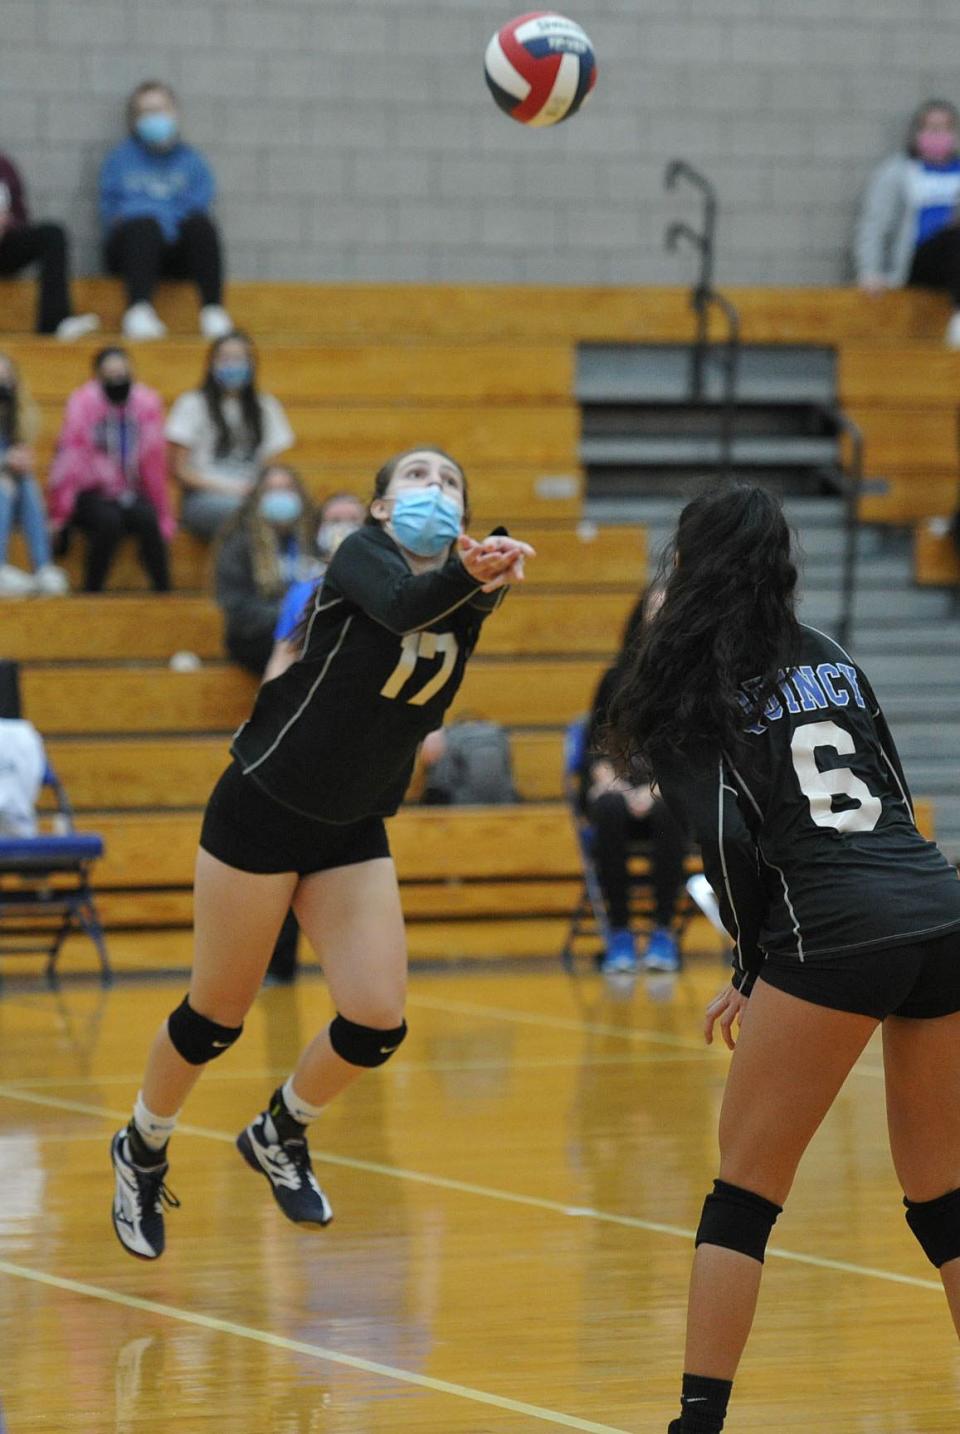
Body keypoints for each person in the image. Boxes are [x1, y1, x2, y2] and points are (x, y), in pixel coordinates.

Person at [108, 447, 534, 1260]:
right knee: (216, 1017)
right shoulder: (359, 557)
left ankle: (278, 1131)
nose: (434, 491)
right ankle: (141, 1143)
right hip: (264, 807)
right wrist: (473, 575)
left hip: (351, 824)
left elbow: (440, 616)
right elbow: (406, 606)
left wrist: (485, 569)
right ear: (380, 508)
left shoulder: (462, 589)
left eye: (451, 482)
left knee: (376, 1020)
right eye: (416, 478)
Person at [606, 482, 960, 1434]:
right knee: (944, 1196)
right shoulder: (834, 657)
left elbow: (725, 840)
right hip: (938, 910)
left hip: (832, 928)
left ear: (692, 565)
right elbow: (890, 785)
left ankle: (696, 1424)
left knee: (743, 1199)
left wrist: (753, 967)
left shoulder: (688, 687)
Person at [583, 585, 686, 975]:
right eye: (655, 609)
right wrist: (612, 780)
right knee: (607, 807)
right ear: (641, 615)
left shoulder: (690, 680)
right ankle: (621, 935)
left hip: (667, 789)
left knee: (669, 812)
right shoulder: (614, 677)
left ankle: (662, 933)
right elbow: (595, 743)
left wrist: (656, 788)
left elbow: (693, 751)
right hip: (616, 784)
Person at [100, 80, 232, 342]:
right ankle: (138, 310)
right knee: (143, 225)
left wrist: (154, 213)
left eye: (160, 109)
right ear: (134, 120)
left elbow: (197, 204)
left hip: (176, 250)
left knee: (201, 226)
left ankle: (212, 311)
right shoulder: (119, 160)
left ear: (174, 112)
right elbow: (114, 213)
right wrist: (159, 214)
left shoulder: (191, 160)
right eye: (146, 112)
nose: (154, 117)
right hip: (133, 251)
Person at [47, 347, 174, 593]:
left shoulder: (146, 405)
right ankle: (92, 592)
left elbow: (154, 464)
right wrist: (60, 513)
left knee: (148, 519)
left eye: (122, 372)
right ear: (97, 376)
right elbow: (69, 463)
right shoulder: (82, 405)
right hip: (90, 493)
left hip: (130, 490)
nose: (117, 379)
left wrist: (163, 514)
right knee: (109, 521)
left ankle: (164, 593)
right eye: (110, 373)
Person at [166, 332, 295, 541]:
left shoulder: (267, 407)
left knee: (291, 509)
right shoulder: (192, 404)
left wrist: (257, 492)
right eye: (226, 358)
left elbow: (271, 469)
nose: (233, 365)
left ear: (252, 365)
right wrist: (231, 489)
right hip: (203, 498)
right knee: (245, 514)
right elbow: (179, 471)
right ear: (211, 363)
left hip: (253, 497)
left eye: (240, 359)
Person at [856, 99, 960, 346]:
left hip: (955, 264)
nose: (937, 135)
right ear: (917, 133)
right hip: (919, 260)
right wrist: (869, 271)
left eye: (944, 128)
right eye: (931, 128)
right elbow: (874, 224)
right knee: (953, 240)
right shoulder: (898, 172)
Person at [214, 463, 319, 677]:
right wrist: (288, 613)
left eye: (286, 489)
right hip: (255, 636)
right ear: (258, 498)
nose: (280, 496)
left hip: (307, 630)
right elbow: (235, 605)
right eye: (272, 490)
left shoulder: (314, 538)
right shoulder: (239, 542)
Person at [263, 491, 367, 683]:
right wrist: (265, 711)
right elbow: (283, 656)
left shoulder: (388, 584)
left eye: (353, 520)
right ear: (319, 531)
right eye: (335, 521)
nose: (344, 528)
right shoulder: (302, 592)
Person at [0, 150, 99, 340]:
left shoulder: (4, 166)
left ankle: (55, 322)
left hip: (5, 244)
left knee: (52, 234)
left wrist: (6, 224)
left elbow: (21, 216)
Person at [0, 354, 68, 596]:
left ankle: (43, 567)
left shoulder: (17, 415)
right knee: (4, 487)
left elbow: (23, 452)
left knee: (26, 483)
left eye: (6, 379)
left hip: (15, 489)